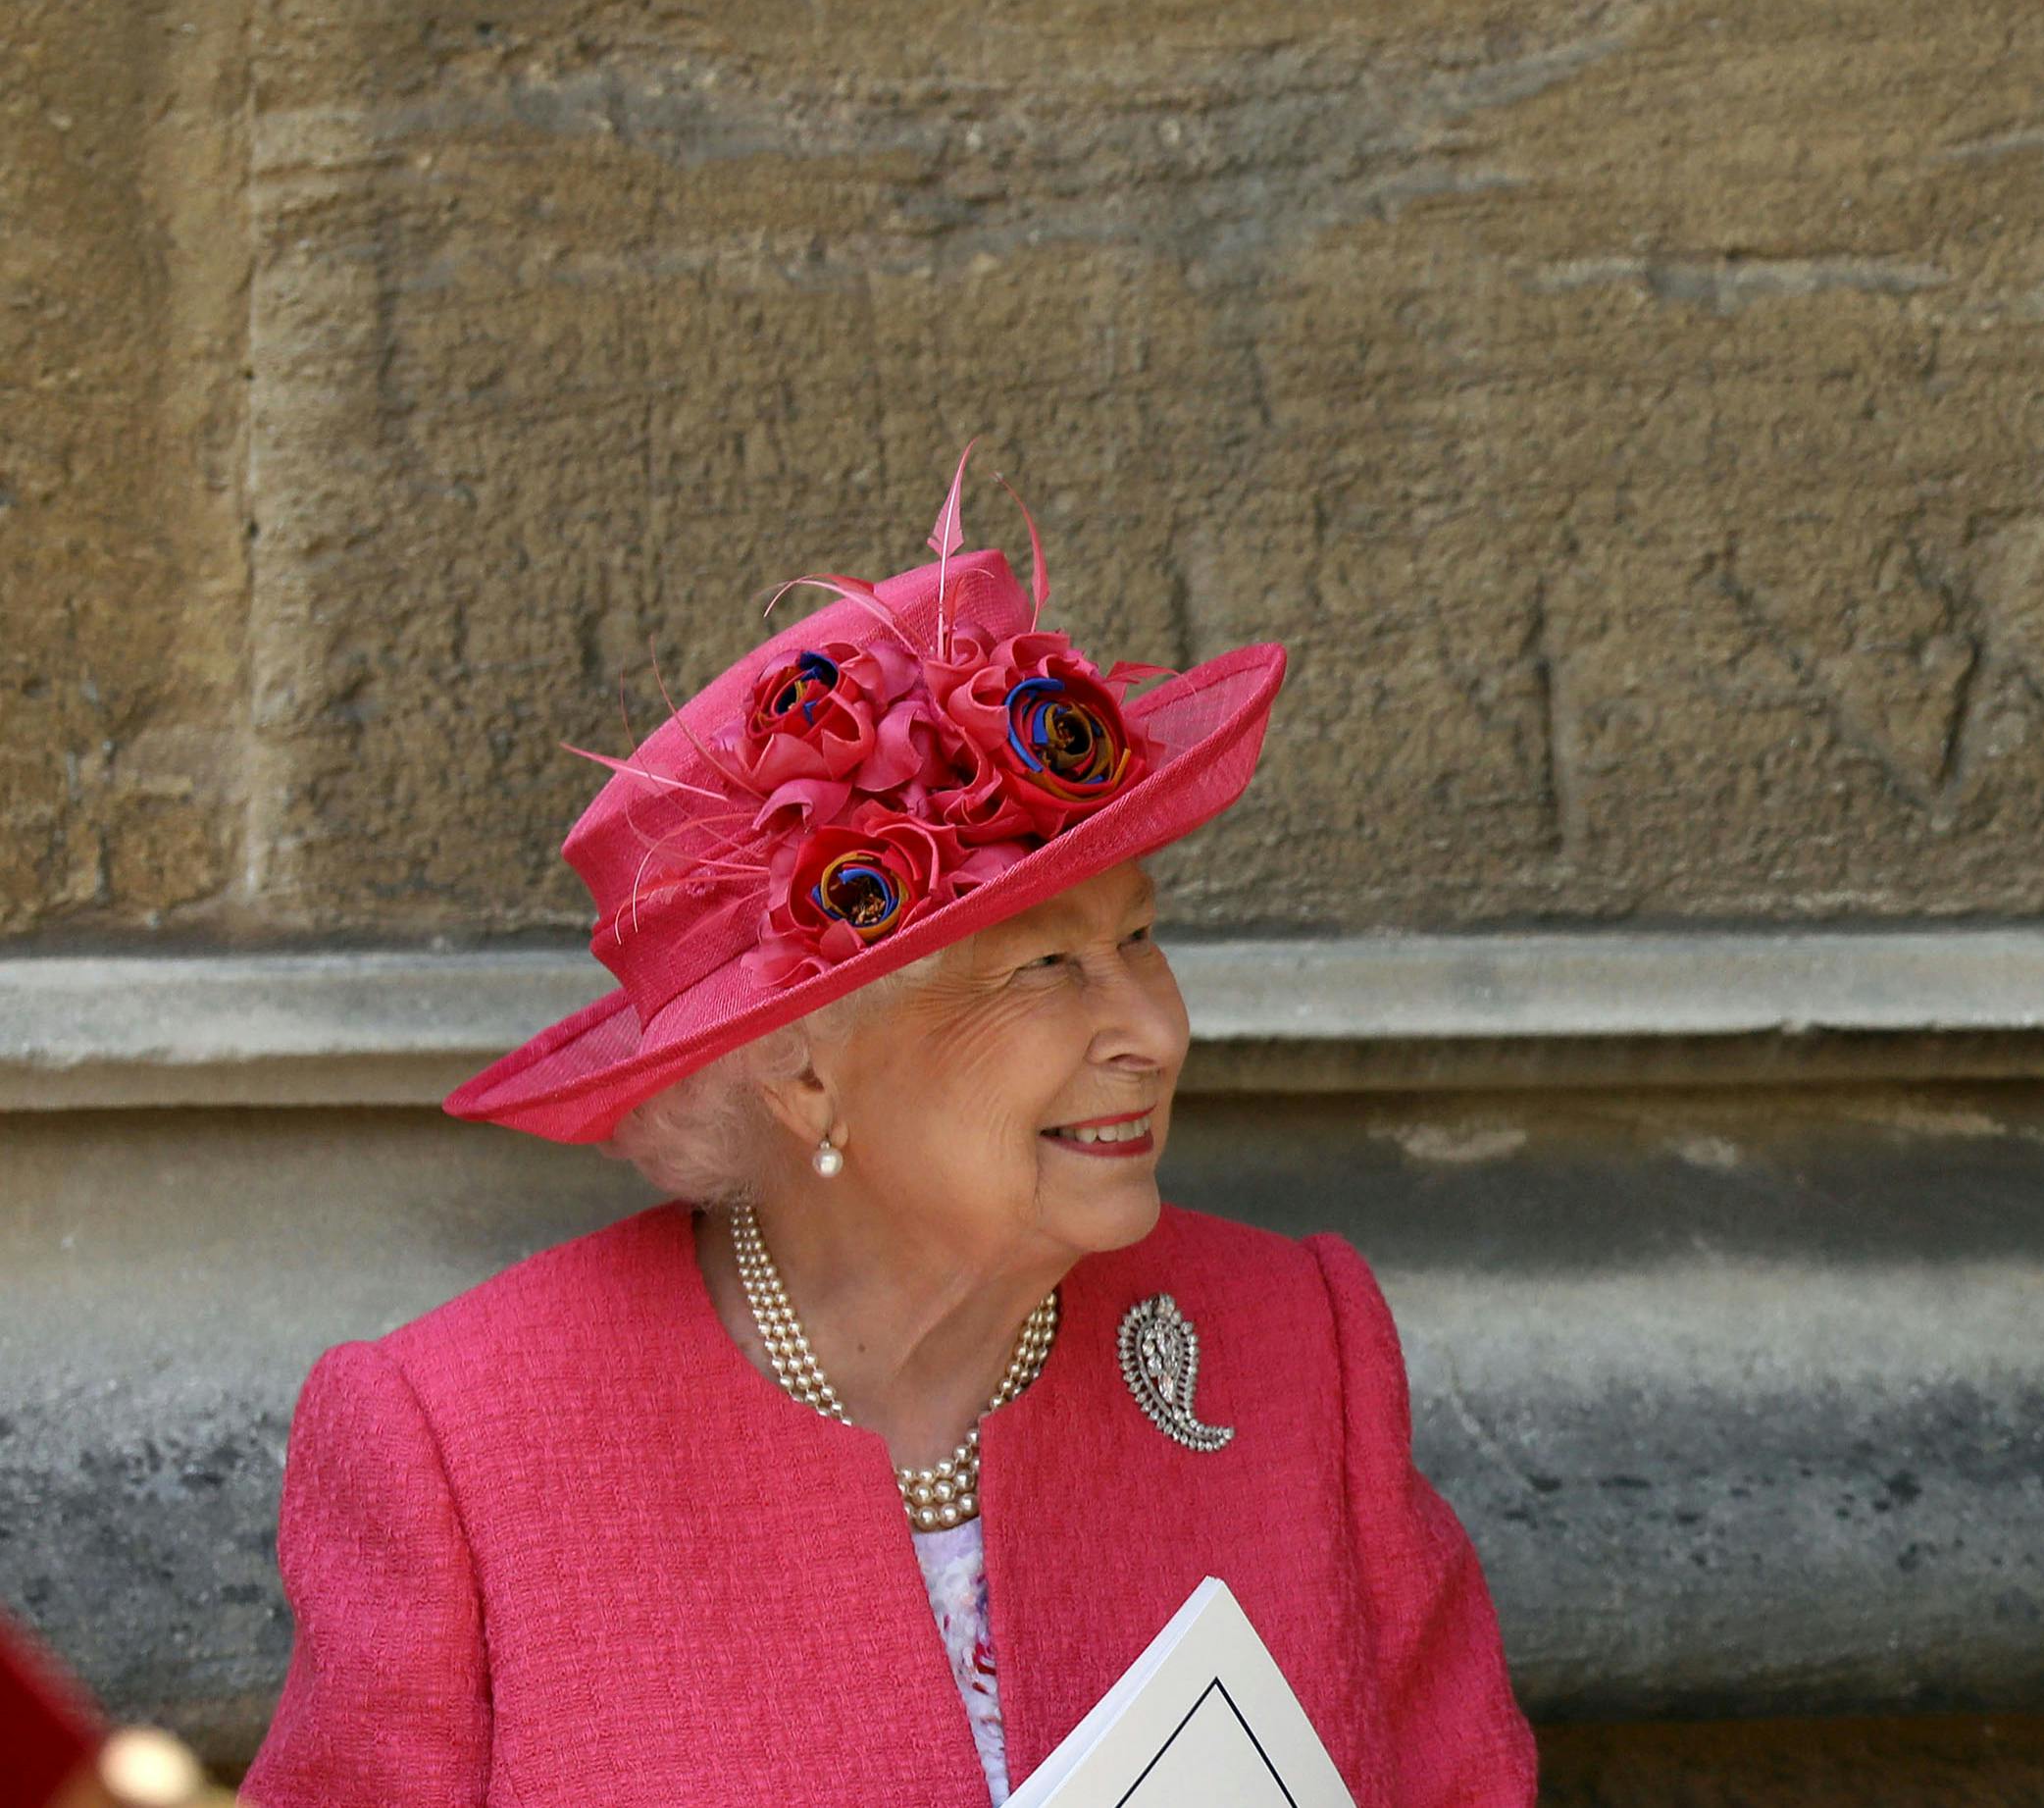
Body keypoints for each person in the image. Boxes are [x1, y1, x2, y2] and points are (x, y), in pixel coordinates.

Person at [243, 478, 1537, 1808]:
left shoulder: (1293, 1347)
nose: (1152, 1029)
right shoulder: (458, 1447)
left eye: (1138, 938)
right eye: (1043, 967)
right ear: (803, 1067)